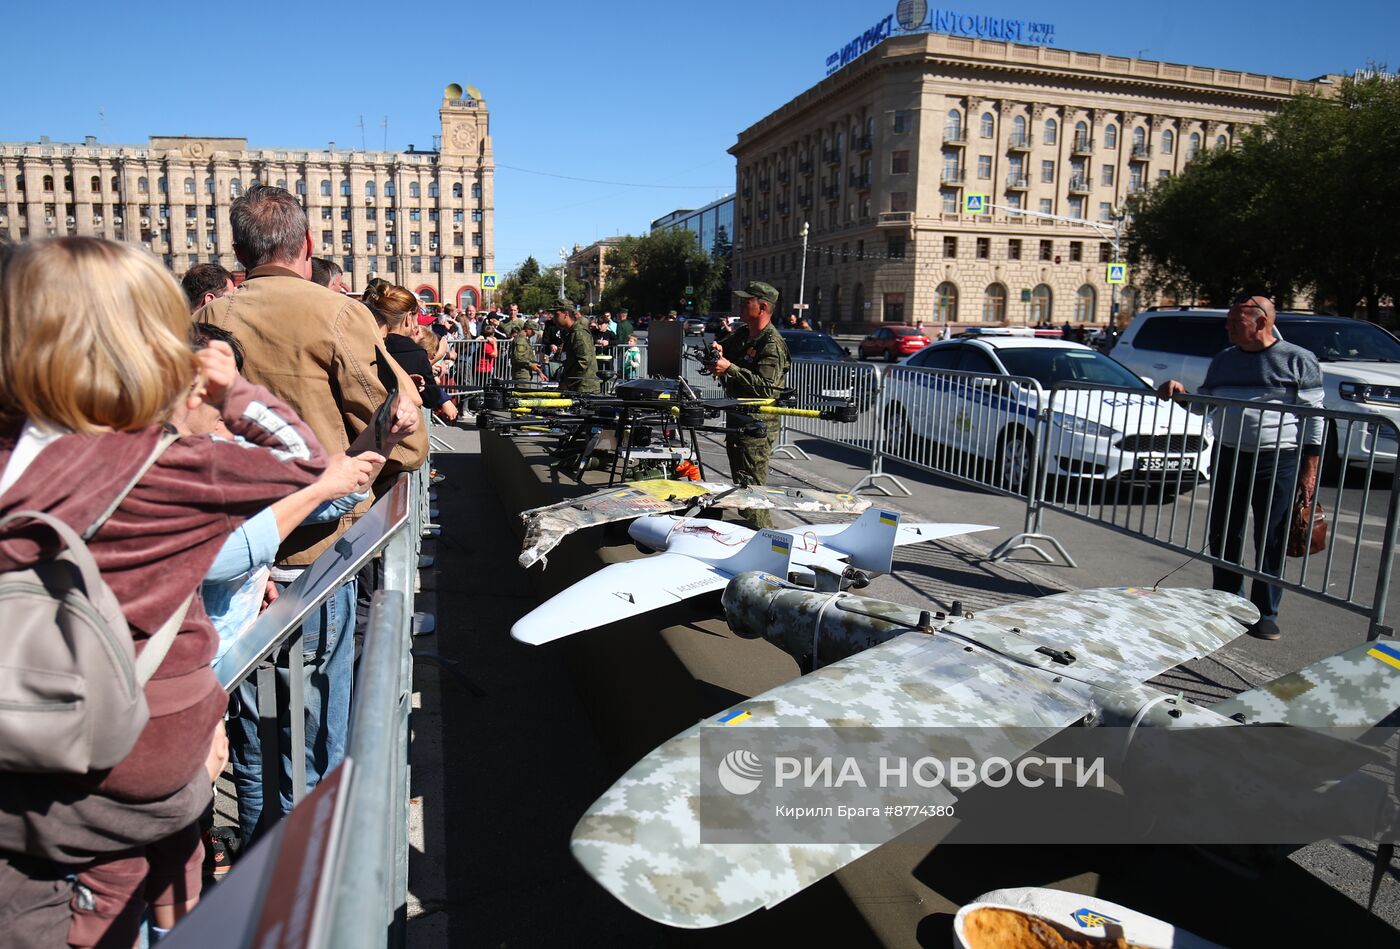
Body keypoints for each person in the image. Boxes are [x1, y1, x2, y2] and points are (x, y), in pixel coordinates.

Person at [0, 237, 329, 948]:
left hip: (17, 766)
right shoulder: (167, 466)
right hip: (135, 766)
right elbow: (303, 460)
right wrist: (227, 387)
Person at [197, 185, 427, 838]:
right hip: (317, 559)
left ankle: (256, 863)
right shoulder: (336, 313)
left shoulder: (207, 322)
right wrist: (356, 492)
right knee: (319, 717)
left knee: (248, 733)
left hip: (232, 564)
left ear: (239, 250)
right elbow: (406, 438)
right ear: (307, 245)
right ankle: (313, 878)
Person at [1155, 294, 1324, 640]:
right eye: (1229, 321)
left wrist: (1310, 469)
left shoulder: (1297, 360)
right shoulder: (1225, 360)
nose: (1228, 327)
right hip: (1230, 454)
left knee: (1272, 536)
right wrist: (1181, 393)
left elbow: (1315, 419)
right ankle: (1228, 603)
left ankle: (1265, 612)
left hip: (1278, 459)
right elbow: (1207, 406)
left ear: (1261, 322)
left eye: (1236, 321)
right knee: (1224, 531)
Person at [710, 281, 790, 529]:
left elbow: (767, 388)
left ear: (763, 307)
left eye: (747, 302)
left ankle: (769, 539)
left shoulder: (771, 345)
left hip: (757, 427)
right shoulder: (746, 334)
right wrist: (719, 352)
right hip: (739, 420)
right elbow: (728, 351)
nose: (741, 306)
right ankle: (752, 539)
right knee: (742, 493)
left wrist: (729, 368)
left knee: (752, 494)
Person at [367, 284, 458, 422]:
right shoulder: (414, 353)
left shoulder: (367, 342)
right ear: (409, 318)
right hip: (399, 427)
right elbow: (431, 398)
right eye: (417, 316)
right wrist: (437, 357)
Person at [556, 306, 599, 393]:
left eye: (556, 314)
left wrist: (568, 382)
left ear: (566, 314)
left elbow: (584, 361)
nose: (554, 318)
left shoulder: (579, 333)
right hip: (577, 385)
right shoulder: (572, 332)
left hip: (584, 387)